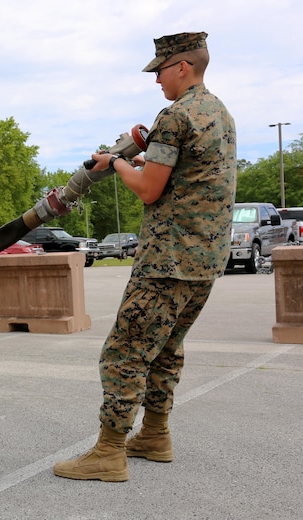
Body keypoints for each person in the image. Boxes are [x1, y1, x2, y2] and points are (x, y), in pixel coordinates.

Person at [53, 32, 237, 482]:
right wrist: (131, 159)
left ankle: (109, 452)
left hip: (166, 260)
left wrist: (114, 163)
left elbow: (149, 189)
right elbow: (173, 178)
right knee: (167, 350)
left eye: (160, 70)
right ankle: (155, 436)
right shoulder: (221, 114)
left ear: (183, 66)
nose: (156, 80)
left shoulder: (175, 116)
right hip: (206, 260)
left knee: (124, 353)